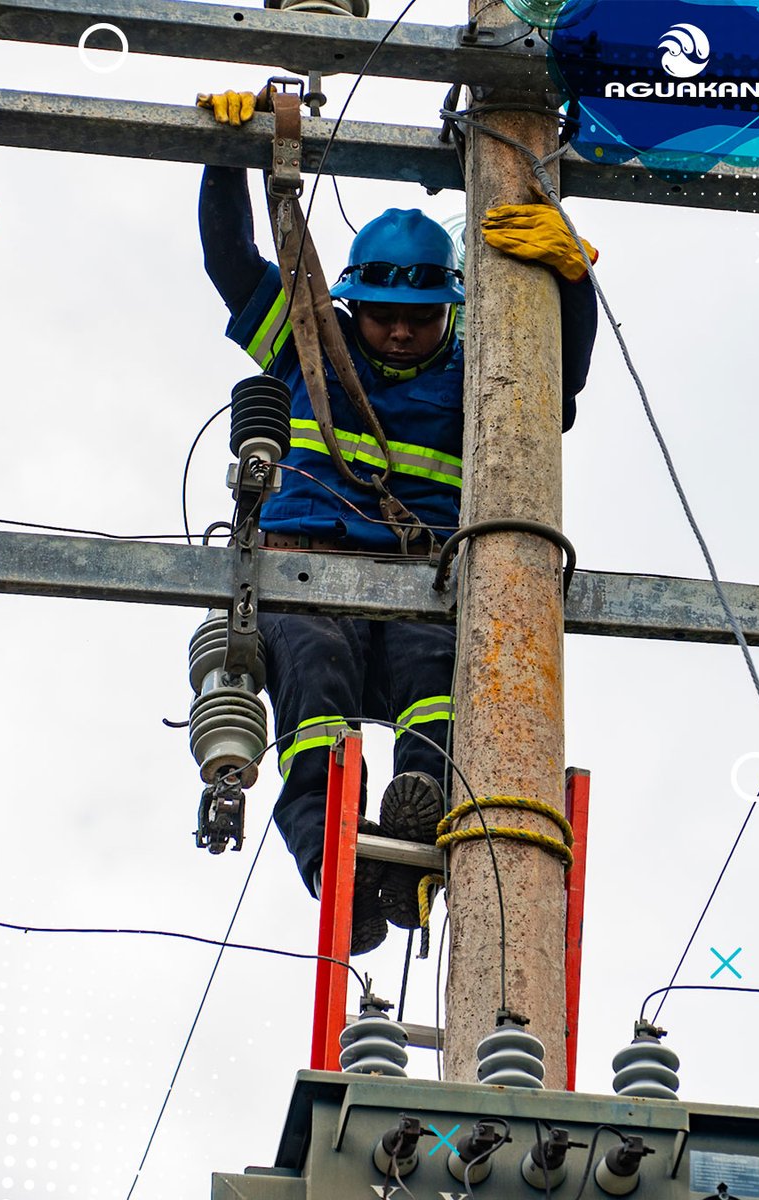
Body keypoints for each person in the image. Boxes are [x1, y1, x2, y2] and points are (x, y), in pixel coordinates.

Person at [197, 90, 598, 954]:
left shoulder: (484, 369)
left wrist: (572, 285)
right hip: (307, 571)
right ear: (354, 303)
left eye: (420, 319)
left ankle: (416, 832)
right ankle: (332, 864)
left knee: (433, 691)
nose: (402, 333)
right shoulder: (309, 345)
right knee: (316, 698)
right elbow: (231, 261)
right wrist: (229, 153)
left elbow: (553, 390)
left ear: (452, 309)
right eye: (384, 316)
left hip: (424, 584)